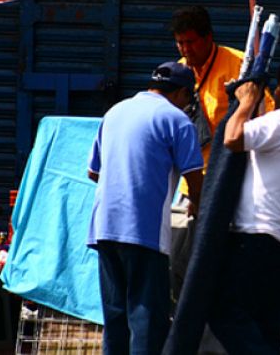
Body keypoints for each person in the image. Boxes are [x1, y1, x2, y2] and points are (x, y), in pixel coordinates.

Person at [86, 61, 204, 355]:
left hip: (104, 228)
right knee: (147, 320)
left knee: (116, 318)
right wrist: (199, 209)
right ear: (180, 93)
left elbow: (93, 172)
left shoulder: (116, 111)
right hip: (143, 231)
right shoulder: (177, 120)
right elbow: (194, 179)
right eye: (188, 98)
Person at [211, 60, 280, 354]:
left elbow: (233, 137)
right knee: (265, 326)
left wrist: (245, 102)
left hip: (259, 239)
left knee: (223, 310)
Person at [169, 5, 274, 206]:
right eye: (180, 43)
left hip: (227, 176)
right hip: (189, 182)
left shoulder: (239, 66)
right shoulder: (179, 70)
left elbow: (266, 115)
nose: (185, 49)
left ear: (208, 37)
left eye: (190, 42)